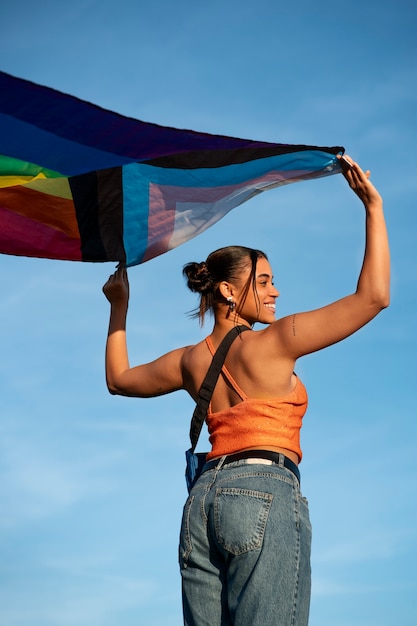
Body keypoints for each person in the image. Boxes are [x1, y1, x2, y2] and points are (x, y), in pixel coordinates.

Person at [102, 155, 390, 626]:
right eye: (263, 281)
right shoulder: (275, 343)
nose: (275, 291)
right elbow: (373, 297)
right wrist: (372, 209)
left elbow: (118, 380)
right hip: (263, 495)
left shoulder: (187, 361)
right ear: (229, 293)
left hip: (201, 504)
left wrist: (119, 307)